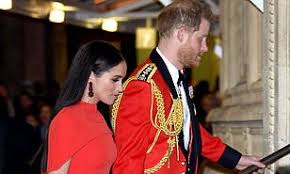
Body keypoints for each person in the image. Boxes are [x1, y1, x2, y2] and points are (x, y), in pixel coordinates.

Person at [111, 0, 265, 174]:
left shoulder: (176, 75)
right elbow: (128, 165)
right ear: (181, 34)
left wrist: (235, 159)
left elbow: (187, 129)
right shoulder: (142, 86)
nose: (205, 47)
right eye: (201, 39)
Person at [41, 40, 127, 174]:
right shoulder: (67, 119)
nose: (120, 88)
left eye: (122, 80)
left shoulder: (99, 116)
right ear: (91, 75)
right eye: (115, 79)